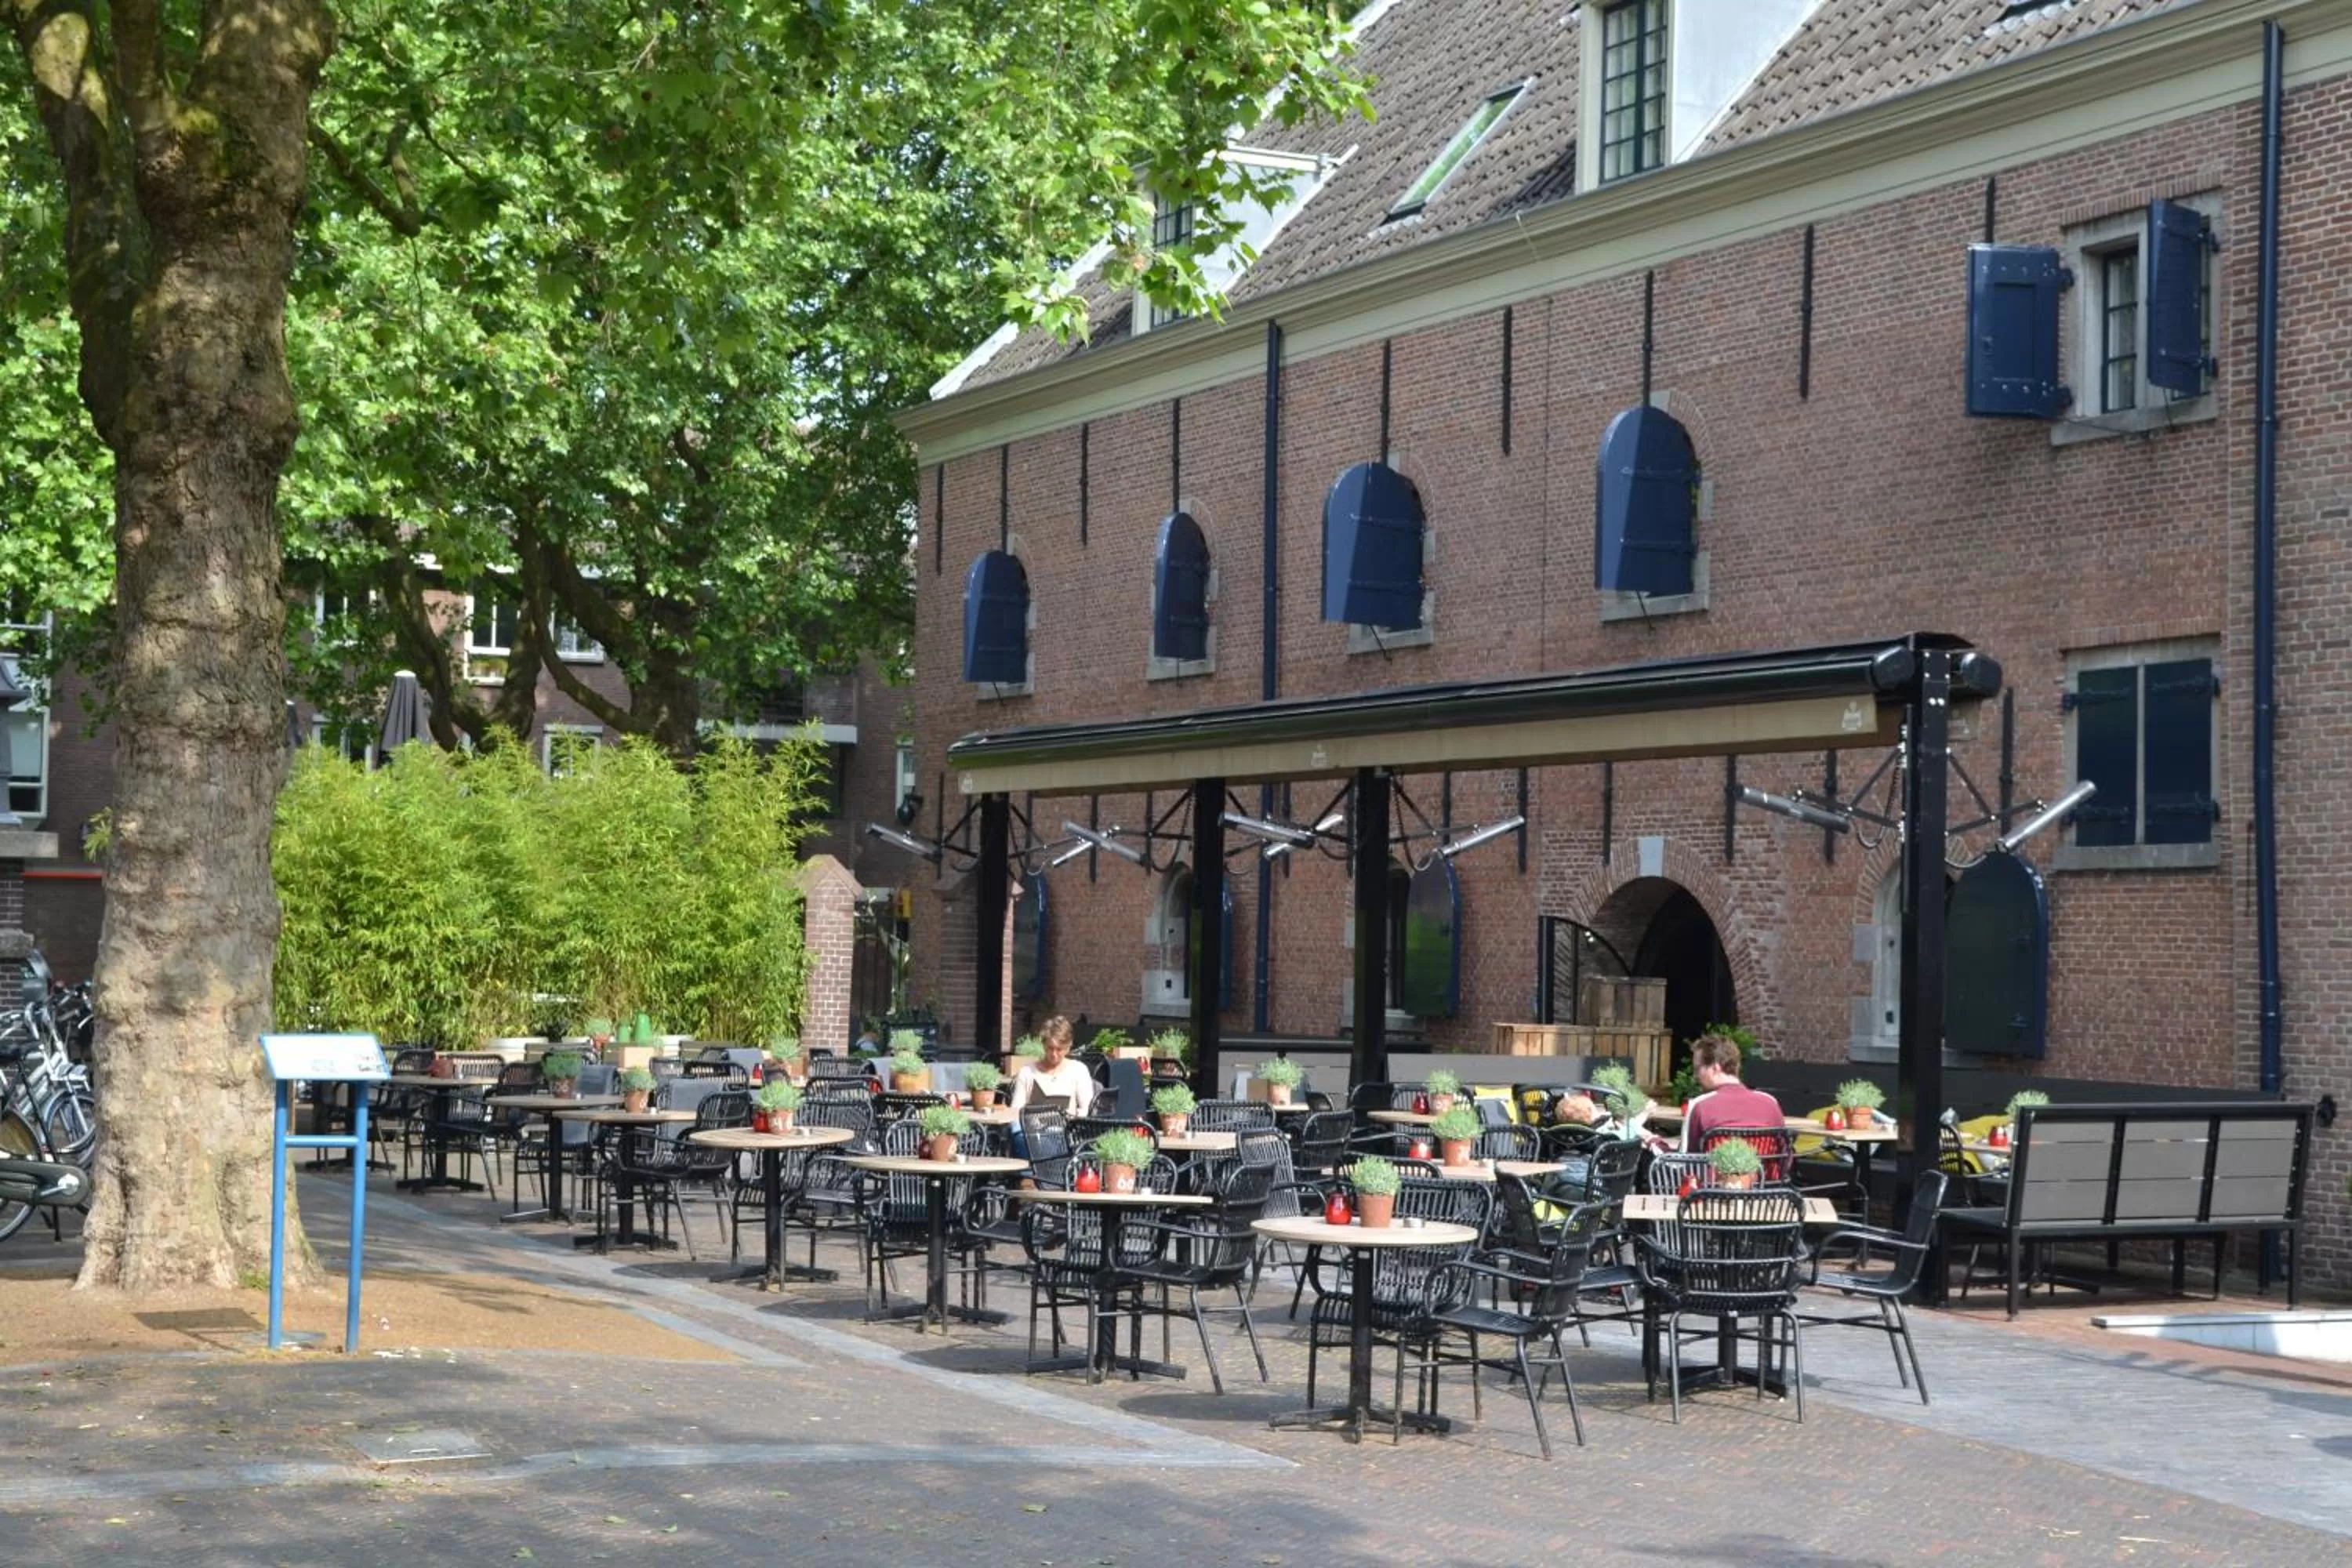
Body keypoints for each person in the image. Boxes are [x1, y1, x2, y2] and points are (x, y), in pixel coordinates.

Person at [1679, 1033, 1783, 1151]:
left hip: (1714, 1170)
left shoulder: (1700, 1106)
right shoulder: (1770, 1104)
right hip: (1762, 1169)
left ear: (1715, 1068)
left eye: (1698, 1068)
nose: (1695, 1075)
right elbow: (1784, 1155)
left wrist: (1654, 1141)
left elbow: (1685, 1161)